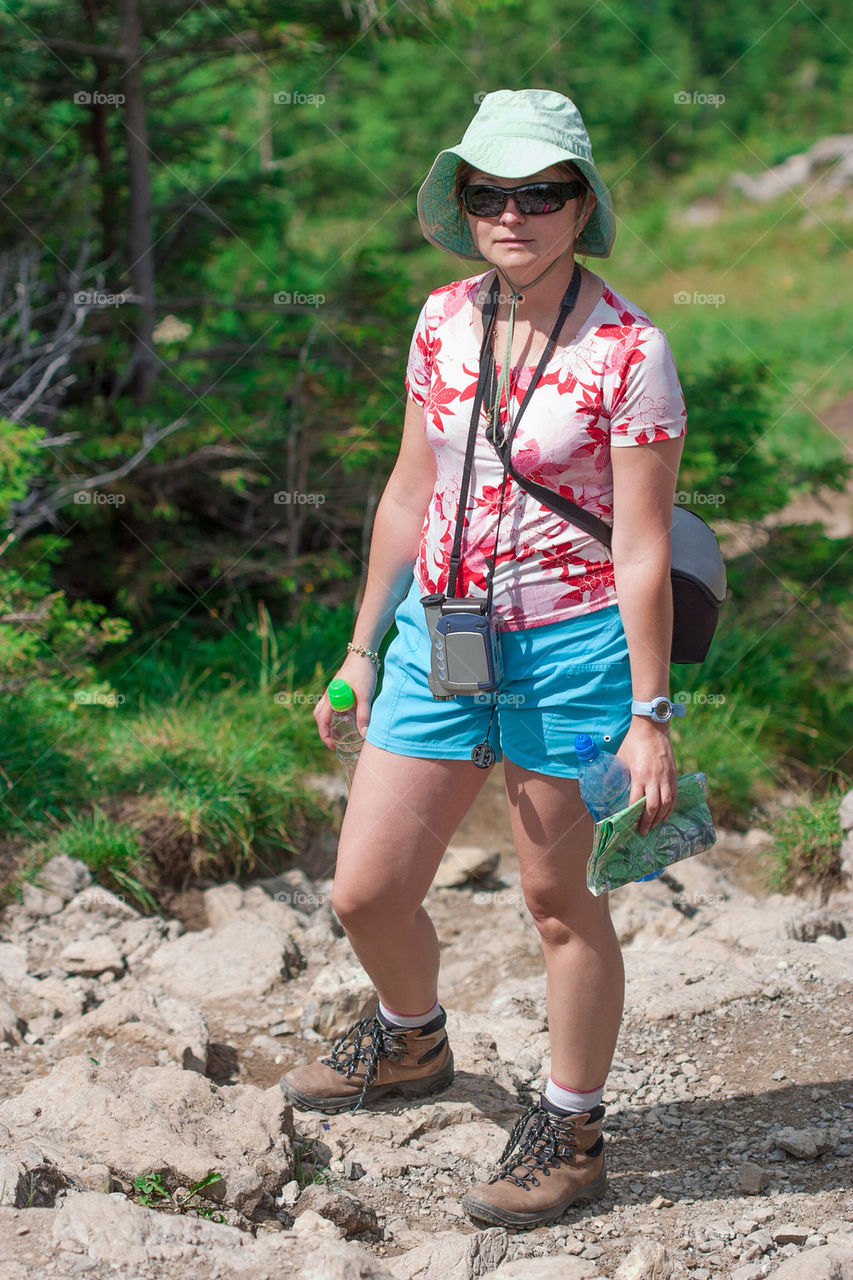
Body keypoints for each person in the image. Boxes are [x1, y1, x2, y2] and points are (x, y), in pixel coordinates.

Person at [281, 87, 686, 1230]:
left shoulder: (630, 350)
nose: (513, 213)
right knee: (365, 890)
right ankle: (413, 1039)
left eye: (540, 192)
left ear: (581, 203)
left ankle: (571, 1127)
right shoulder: (439, 321)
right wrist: (361, 649)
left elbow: (646, 548)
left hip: (569, 655)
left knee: (558, 900)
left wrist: (648, 711)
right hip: (438, 641)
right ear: (460, 204)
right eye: (488, 193)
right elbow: (408, 494)